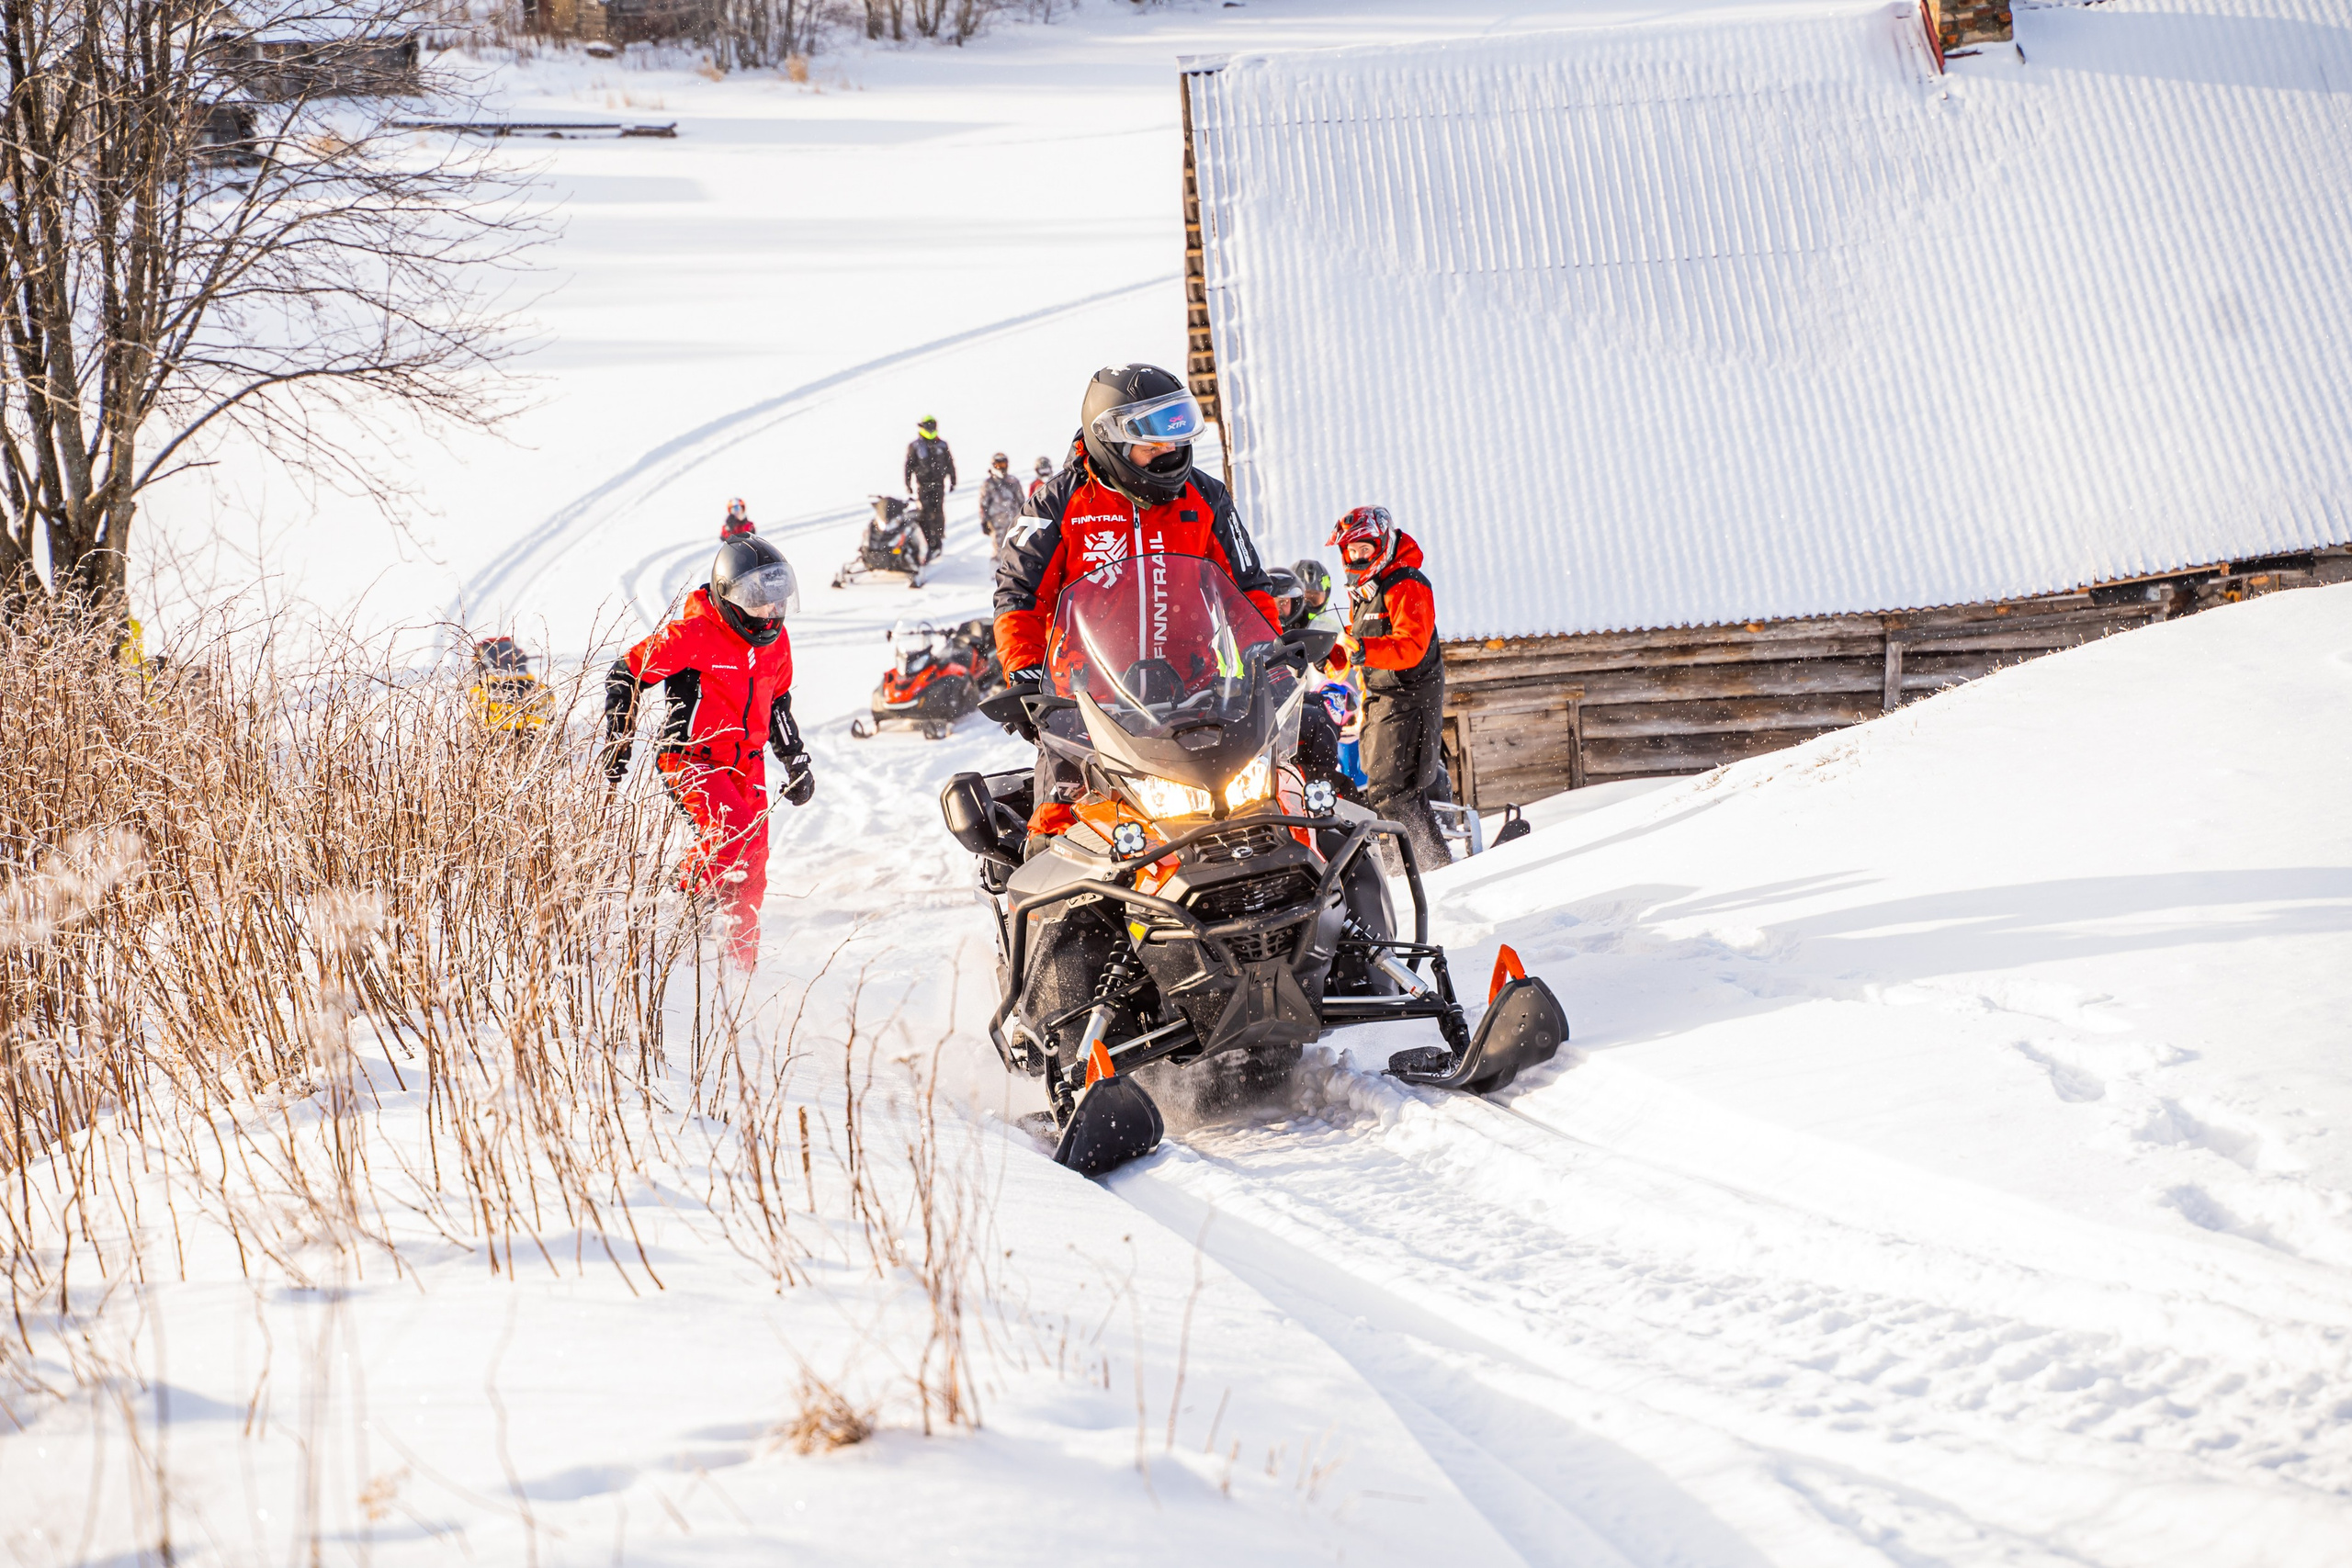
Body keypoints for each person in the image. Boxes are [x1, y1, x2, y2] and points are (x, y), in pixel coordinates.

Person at [994, 364, 1278, 823]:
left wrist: (1269, 653)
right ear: (1110, 439)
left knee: (1270, 805)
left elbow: (1247, 589)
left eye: (1175, 440)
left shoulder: (1206, 496)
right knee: (1057, 826)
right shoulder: (1057, 504)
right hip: (1088, 712)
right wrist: (1024, 674)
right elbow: (1018, 597)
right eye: (1153, 444)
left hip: (1198, 700)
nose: (1169, 453)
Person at [602, 535, 814, 968]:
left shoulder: (776, 641)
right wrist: (619, 739)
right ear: (729, 596)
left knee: (754, 862)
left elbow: (778, 702)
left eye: (777, 602)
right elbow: (626, 673)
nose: (770, 613)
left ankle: (740, 969)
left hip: (747, 764)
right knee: (731, 835)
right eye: (759, 603)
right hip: (691, 758)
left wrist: (795, 759)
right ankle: (673, 913)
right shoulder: (693, 635)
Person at [1328, 504, 1449, 872]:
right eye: (1351, 550)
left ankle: (1419, 866)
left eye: (1364, 548)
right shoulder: (1366, 591)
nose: (1357, 557)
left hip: (1409, 695)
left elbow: (1410, 646)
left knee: (1392, 789)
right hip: (1380, 697)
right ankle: (1429, 864)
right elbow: (1360, 644)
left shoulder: (1406, 583)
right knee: (1386, 787)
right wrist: (1333, 658)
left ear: (1382, 544)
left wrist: (1365, 650)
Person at [903, 416, 956, 556]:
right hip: (923, 484)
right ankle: (928, 540)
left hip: (939, 483)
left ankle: (938, 537)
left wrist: (953, 479)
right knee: (925, 513)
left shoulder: (942, 445)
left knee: (938, 511)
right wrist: (908, 483)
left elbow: (949, 462)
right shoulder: (916, 446)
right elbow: (909, 465)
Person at [978, 452, 1024, 543]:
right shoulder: (988, 484)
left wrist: (1024, 517)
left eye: (1003, 464)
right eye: (998, 465)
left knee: (1018, 548)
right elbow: (983, 504)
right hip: (997, 525)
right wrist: (984, 521)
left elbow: (1022, 501)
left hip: (1015, 524)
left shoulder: (1013, 481)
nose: (1001, 468)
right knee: (999, 549)